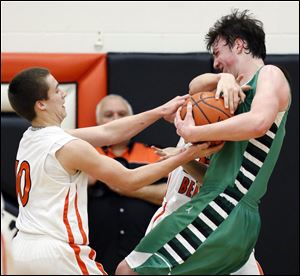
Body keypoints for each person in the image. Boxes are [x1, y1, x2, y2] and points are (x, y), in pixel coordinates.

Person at [116, 9, 290, 275]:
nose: (216, 62)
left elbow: (258, 123)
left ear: (240, 45)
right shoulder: (228, 88)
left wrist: (194, 133)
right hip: (231, 212)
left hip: (222, 207)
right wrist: (185, 158)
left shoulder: (269, 74)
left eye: (218, 52)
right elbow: (194, 87)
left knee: (127, 271)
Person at [8, 67, 222, 275]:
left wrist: (160, 111)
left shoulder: (30, 138)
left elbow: (107, 132)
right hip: (56, 252)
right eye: (56, 90)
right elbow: (128, 180)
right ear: (41, 104)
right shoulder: (68, 146)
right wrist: (184, 155)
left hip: (21, 251)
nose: (63, 94)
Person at [88, 94, 168, 274]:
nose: (115, 119)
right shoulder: (85, 153)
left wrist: (130, 188)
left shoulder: (154, 153)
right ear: (98, 121)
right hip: (95, 259)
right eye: (109, 115)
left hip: (143, 257)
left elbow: (171, 195)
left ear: (131, 120)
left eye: (121, 114)